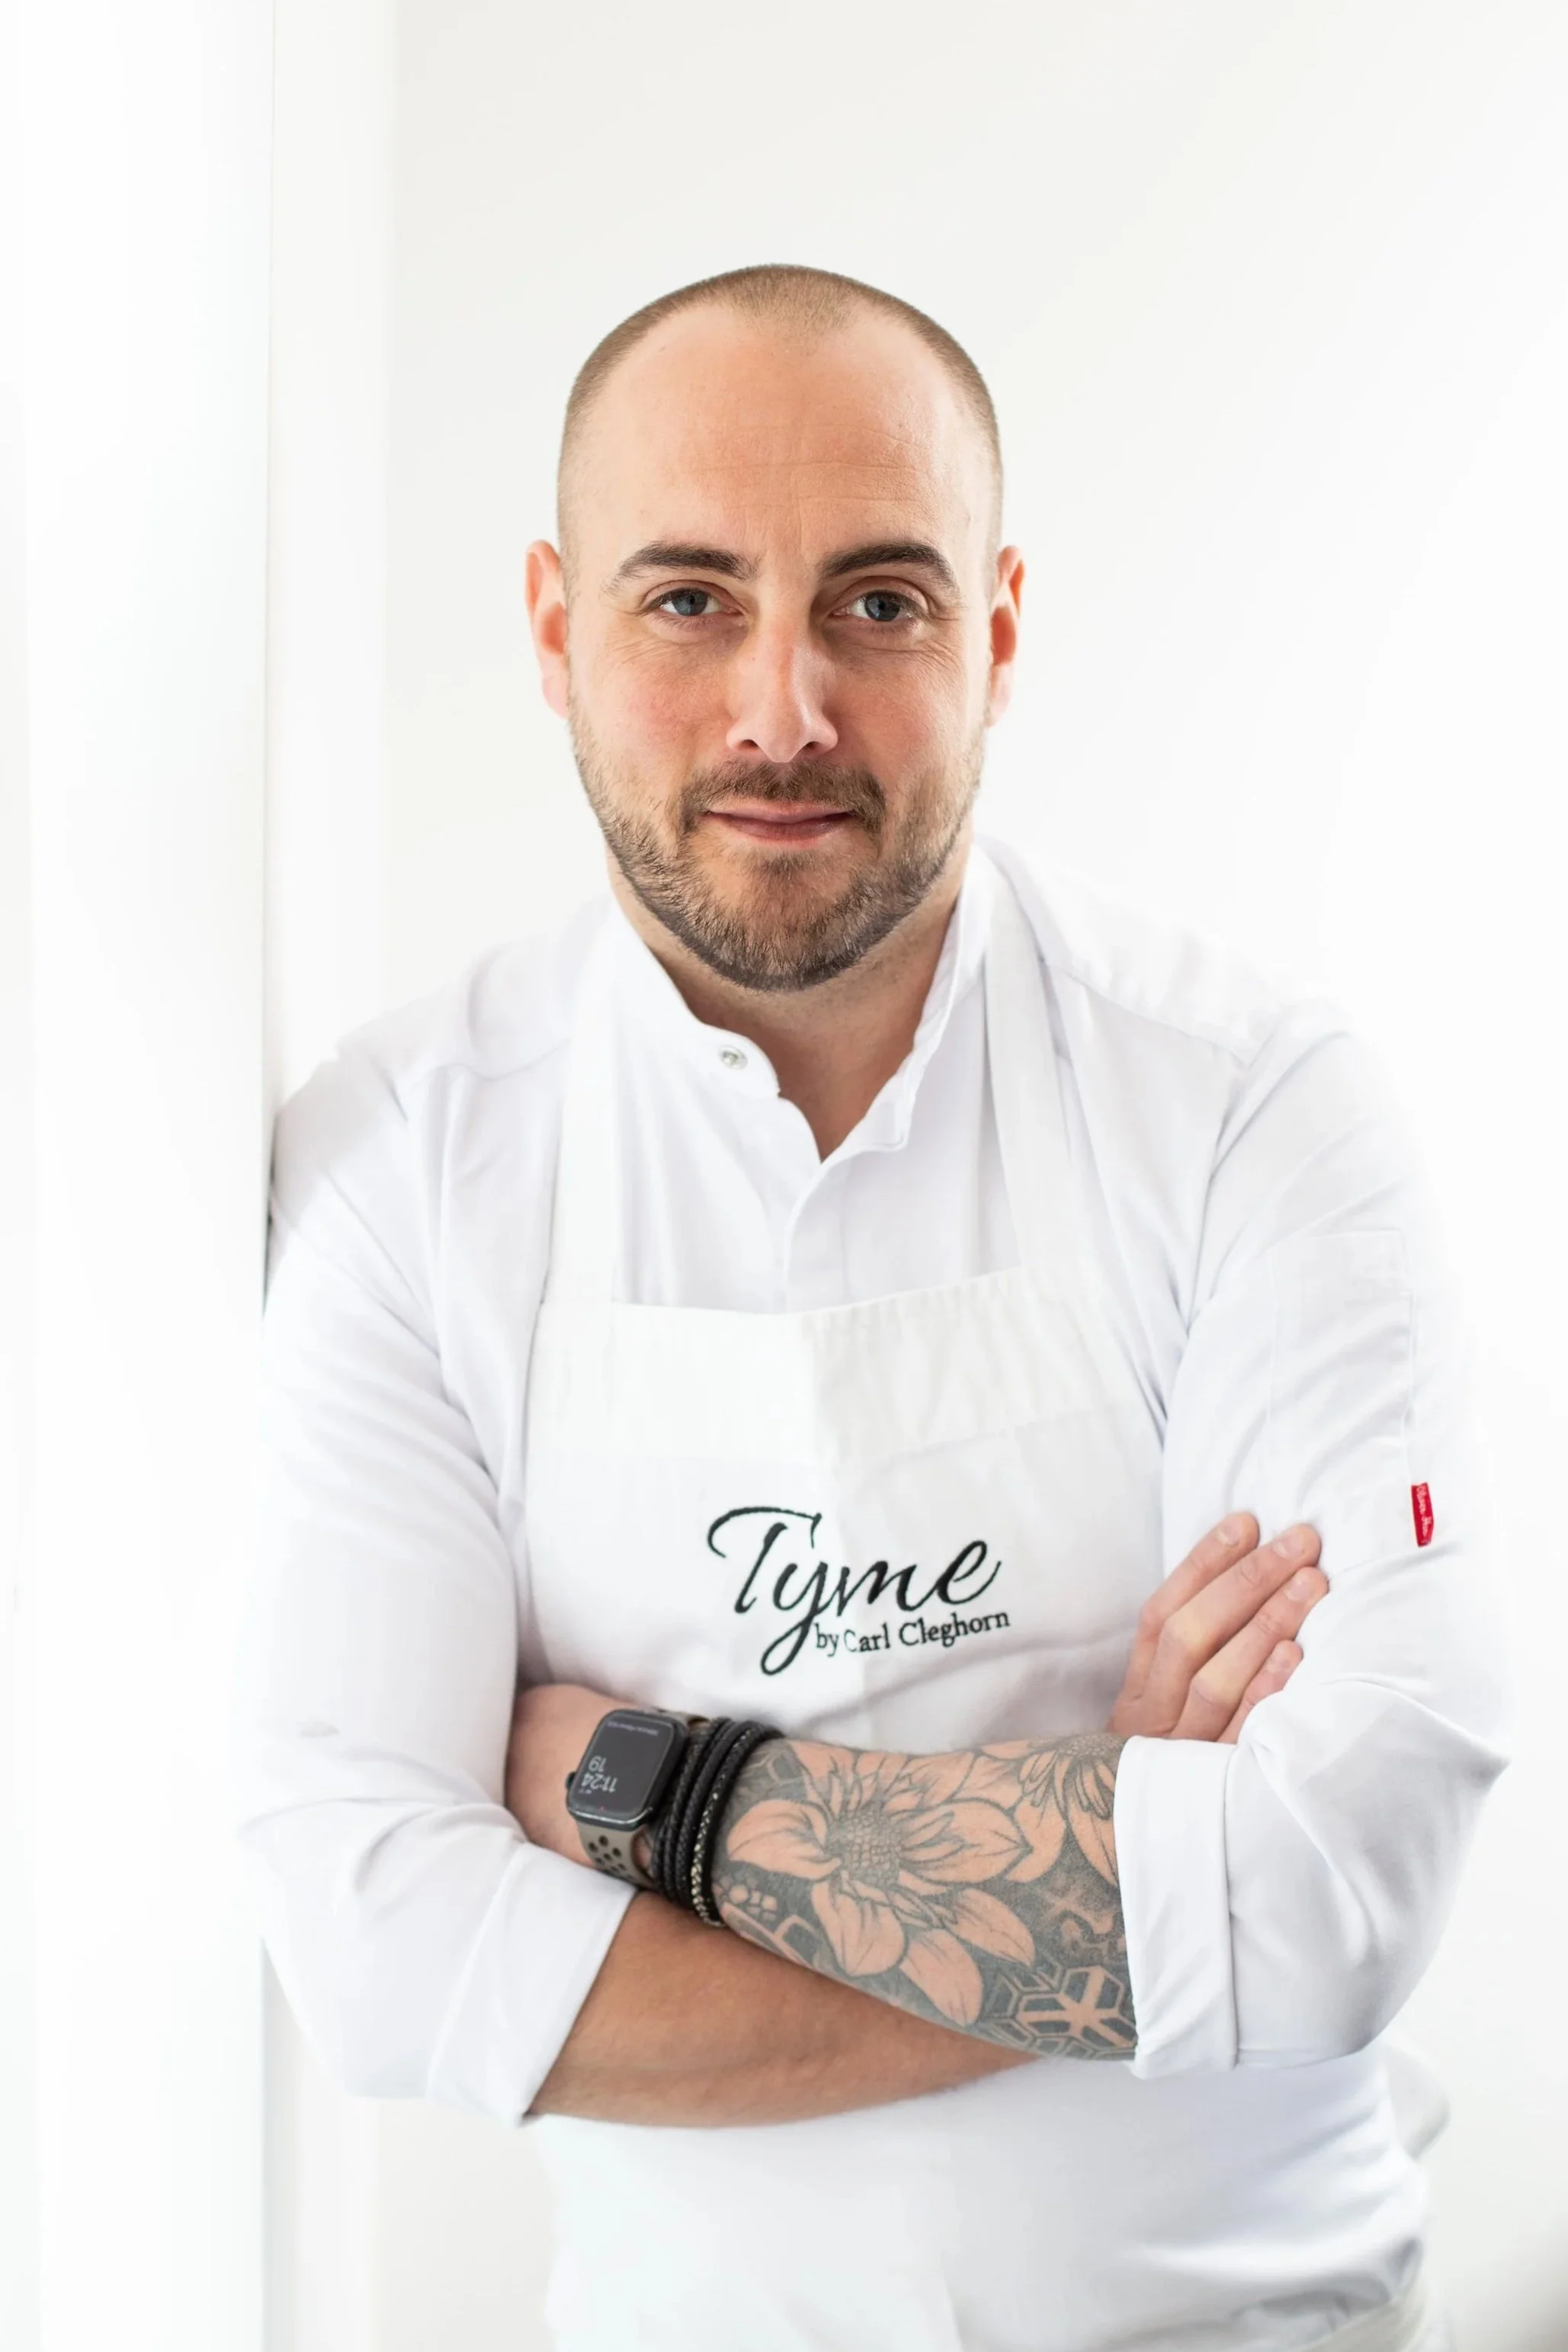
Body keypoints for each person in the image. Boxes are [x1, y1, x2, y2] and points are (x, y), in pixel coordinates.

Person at [235, 265, 1509, 2352]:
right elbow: (381, 1949)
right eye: (689, 600)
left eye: (880, 603)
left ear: (997, 634)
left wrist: (654, 1798)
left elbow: (1339, 1889)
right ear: (553, 631)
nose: (784, 710)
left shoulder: (1248, 1102)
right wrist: (1128, 1843)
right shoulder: (407, 1161)